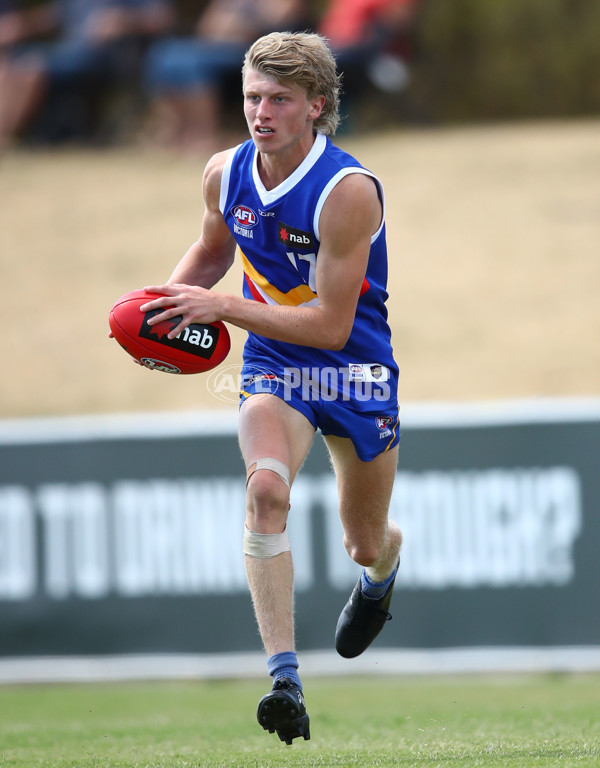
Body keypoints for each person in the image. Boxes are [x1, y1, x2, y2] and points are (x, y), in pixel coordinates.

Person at [138, 31, 402, 745]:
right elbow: (214, 250)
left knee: (362, 541)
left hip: (352, 368)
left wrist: (221, 306)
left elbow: (329, 323)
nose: (261, 112)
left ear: (316, 105)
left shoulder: (348, 192)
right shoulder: (224, 174)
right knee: (265, 492)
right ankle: (285, 679)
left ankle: (383, 573)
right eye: (253, 97)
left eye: (280, 99)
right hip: (274, 366)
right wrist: (163, 304)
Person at [0, 0, 174, 146]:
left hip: (108, 57)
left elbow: (163, 17)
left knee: (32, 68)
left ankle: (6, 137)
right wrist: (20, 24)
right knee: (11, 64)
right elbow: (54, 16)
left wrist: (124, 19)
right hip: (66, 52)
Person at [143, 0, 309, 152]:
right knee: (165, 54)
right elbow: (208, 27)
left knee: (192, 65)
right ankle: (177, 130)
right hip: (219, 46)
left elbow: (278, 19)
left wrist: (240, 22)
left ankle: (203, 135)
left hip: (258, 52)